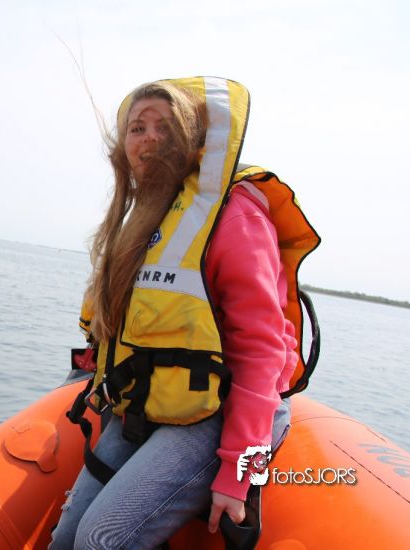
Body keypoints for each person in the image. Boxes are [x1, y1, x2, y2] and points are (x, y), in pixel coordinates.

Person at [50, 77, 319, 548]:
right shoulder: (142, 221)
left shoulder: (233, 214)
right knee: (65, 537)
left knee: (99, 540)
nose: (149, 138)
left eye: (165, 127)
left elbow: (262, 350)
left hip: (221, 410)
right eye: (137, 128)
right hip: (151, 403)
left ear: (194, 141)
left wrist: (238, 471)